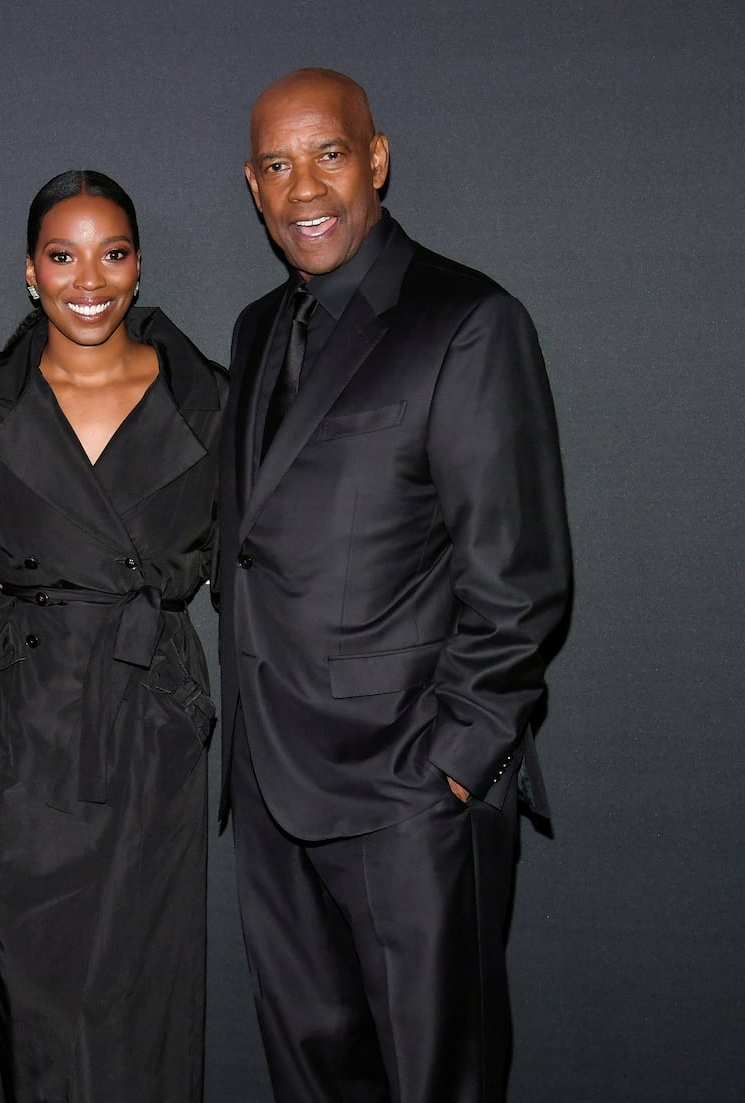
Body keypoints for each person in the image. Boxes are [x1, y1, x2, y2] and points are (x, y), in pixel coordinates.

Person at [220, 68, 571, 1102]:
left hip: (408, 800)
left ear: (375, 159)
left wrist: (453, 766)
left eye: (327, 153)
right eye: (276, 166)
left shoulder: (465, 319)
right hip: (273, 791)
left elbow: (521, 578)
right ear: (252, 186)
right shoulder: (253, 330)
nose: (303, 188)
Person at [0, 171, 229, 1102]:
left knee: (147, 989)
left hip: (152, 721)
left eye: (113, 253)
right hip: (27, 728)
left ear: (138, 267)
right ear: (30, 272)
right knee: (37, 993)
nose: (87, 278)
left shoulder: (211, 396)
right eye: (63, 255)